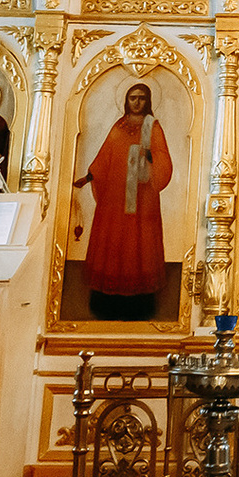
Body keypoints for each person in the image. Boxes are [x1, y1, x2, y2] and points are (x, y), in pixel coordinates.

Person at [77, 83, 174, 320]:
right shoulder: (118, 125)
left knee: (138, 243)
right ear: (126, 100)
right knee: (113, 241)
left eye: (141, 98)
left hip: (143, 199)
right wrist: (90, 175)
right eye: (133, 98)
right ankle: (106, 302)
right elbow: (106, 155)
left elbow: (163, 159)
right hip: (114, 197)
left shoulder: (153, 127)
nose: (137, 102)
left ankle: (140, 304)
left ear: (148, 101)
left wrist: (150, 156)